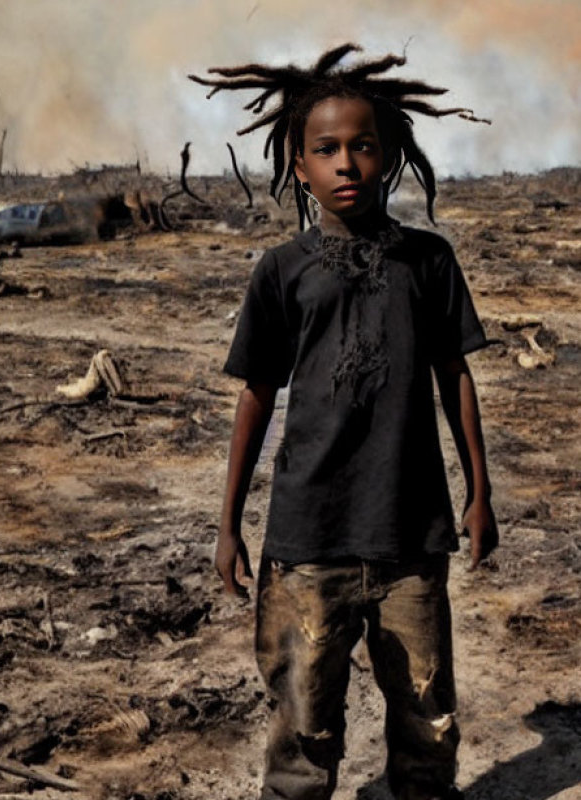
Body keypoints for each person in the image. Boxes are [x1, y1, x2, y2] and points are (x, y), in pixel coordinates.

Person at [190, 44, 498, 800]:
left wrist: (480, 494)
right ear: (299, 165)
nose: (347, 163)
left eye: (363, 145)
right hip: (307, 544)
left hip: (410, 537)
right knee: (302, 730)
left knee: (427, 722)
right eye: (325, 149)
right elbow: (256, 396)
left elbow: (454, 376)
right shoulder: (282, 271)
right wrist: (229, 523)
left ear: (389, 153)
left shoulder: (427, 262)